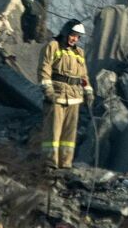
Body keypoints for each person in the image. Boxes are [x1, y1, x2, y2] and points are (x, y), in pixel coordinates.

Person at [38, 19, 94, 169]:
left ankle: (65, 164)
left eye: (78, 37)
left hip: (74, 98)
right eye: (73, 35)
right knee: (53, 133)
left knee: (69, 136)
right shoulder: (53, 46)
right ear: (66, 32)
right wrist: (48, 91)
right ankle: (50, 163)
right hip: (56, 96)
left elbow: (84, 76)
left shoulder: (79, 53)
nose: (75, 39)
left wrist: (88, 91)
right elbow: (44, 70)